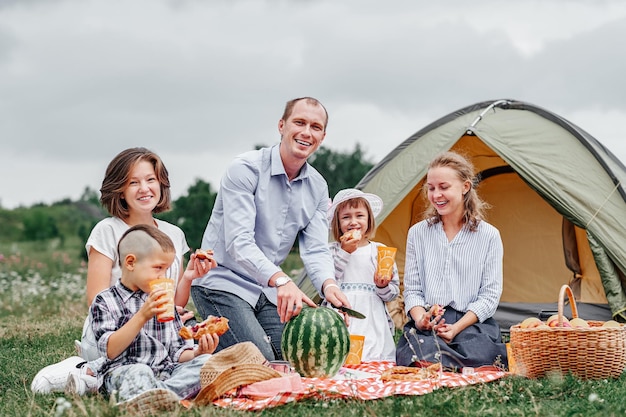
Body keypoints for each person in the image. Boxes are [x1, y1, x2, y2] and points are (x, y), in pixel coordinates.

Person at [31, 147, 214, 395]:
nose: (145, 188)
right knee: (137, 369)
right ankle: (87, 369)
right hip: (113, 338)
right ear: (120, 190)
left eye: (151, 180)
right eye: (133, 182)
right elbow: (96, 300)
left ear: (161, 184)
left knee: (206, 364)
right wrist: (143, 313)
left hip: (161, 342)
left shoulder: (173, 235)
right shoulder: (107, 230)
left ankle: (153, 392)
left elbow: (173, 306)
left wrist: (189, 278)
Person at [191, 97, 350, 361]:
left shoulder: (318, 187)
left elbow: (316, 249)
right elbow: (238, 242)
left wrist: (329, 285)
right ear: (282, 125)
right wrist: (283, 281)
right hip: (221, 283)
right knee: (261, 361)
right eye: (299, 122)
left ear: (322, 137)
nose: (306, 132)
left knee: (296, 357)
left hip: (266, 291)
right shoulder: (244, 169)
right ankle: (198, 355)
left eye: (315, 127)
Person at [395, 151, 508, 370]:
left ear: (465, 187)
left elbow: (490, 297)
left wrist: (456, 328)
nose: (436, 194)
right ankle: (454, 366)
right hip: (430, 322)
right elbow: (413, 291)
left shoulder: (489, 236)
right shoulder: (418, 233)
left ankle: (450, 363)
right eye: (431, 188)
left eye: (444, 187)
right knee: (414, 348)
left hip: (470, 323)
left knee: (482, 350)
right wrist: (421, 320)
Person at [91, 224, 218, 413]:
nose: (164, 276)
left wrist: (198, 352)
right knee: (139, 373)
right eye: (158, 268)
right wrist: (143, 315)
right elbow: (109, 350)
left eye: (166, 270)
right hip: (125, 371)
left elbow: (177, 352)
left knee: (209, 363)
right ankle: (170, 394)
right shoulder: (105, 301)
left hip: (168, 372)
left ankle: (154, 396)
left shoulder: (164, 300)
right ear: (131, 263)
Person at [327, 188, 400, 361]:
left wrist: (383, 285)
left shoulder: (380, 251)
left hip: (372, 315)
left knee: (374, 354)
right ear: (338, 223)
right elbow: (328, 281)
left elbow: (393, 293)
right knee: (342, 356)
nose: (353, 222)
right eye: (346, 217)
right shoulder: (331, 251)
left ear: (369, 219)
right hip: (342, 313)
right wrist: (345, 252)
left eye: (359, 215)